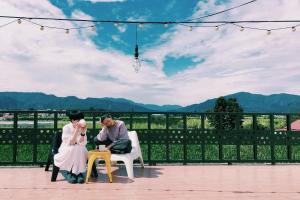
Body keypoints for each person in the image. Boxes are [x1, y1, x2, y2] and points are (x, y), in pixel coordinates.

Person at [54, 111, 88, 184]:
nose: (80, 122)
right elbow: (71, 142)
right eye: (78, 120)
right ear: (72, 120)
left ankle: (78, 173)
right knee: (74, 148)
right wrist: (76, 130)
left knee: (79, 148)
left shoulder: (83, 127)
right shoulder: (66, 127)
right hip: (66, 148)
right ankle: (72, 172)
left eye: (81, 120)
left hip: (80, 148)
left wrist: (82, 133)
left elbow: (83, 143)